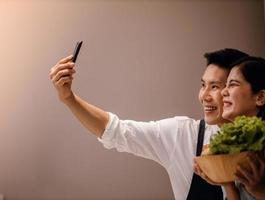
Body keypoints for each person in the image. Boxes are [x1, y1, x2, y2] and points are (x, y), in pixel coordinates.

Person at [49, 48, 248, 200]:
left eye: (215, 87)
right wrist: (69, 99)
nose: (204, 96)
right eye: (203, 85)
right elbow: (117, 131)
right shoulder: (182, 135)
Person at [195, 57, 265, 200]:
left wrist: (260, 190)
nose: (223, 92)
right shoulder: (239, 146)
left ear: (260, 97)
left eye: (232, 84)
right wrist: (227, 182)